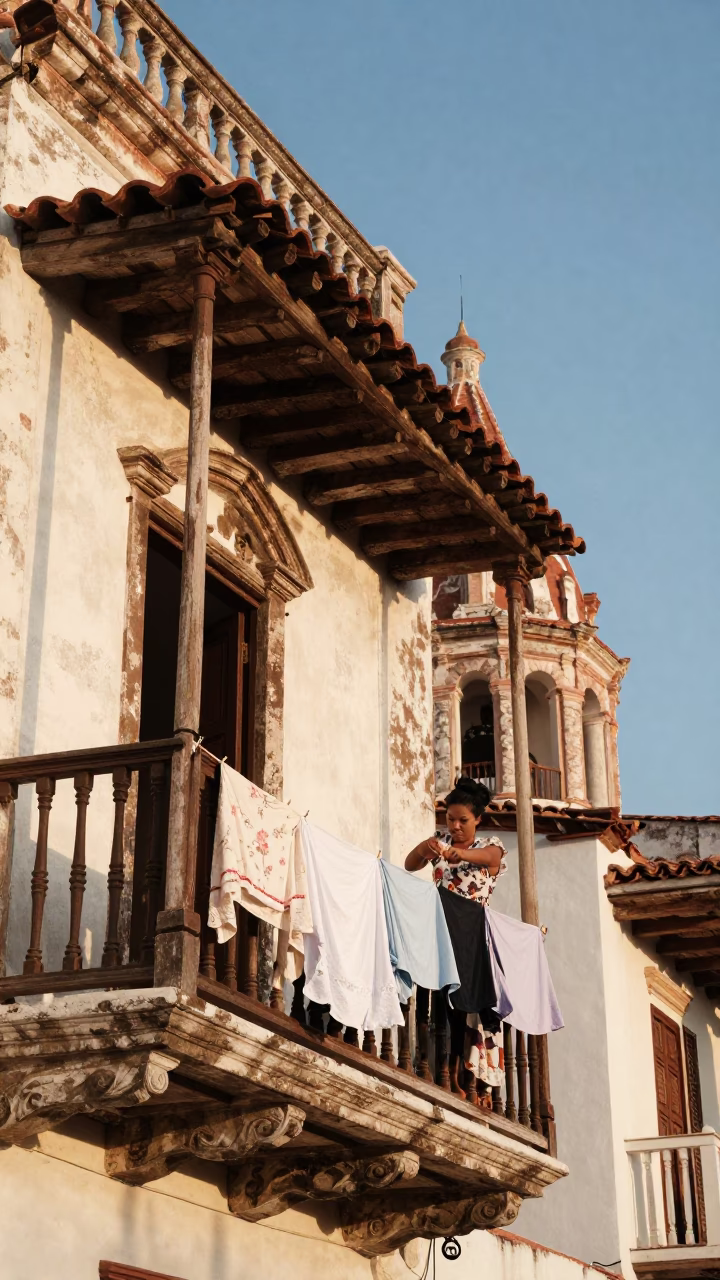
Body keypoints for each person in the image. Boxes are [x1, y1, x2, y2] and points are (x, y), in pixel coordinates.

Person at [405, 775, 507, 1102]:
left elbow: (491, 859)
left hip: (470, 936)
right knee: (434, 998)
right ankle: (436, 1065)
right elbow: (410, 864)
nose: (456, 826)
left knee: (460, 1005)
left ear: (478, 818)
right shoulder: (440, 840)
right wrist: (426, 848)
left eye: (463, 820)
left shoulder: (487, 846)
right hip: (439, 929)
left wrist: (460, 856)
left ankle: (457, 1071)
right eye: (450, 819)